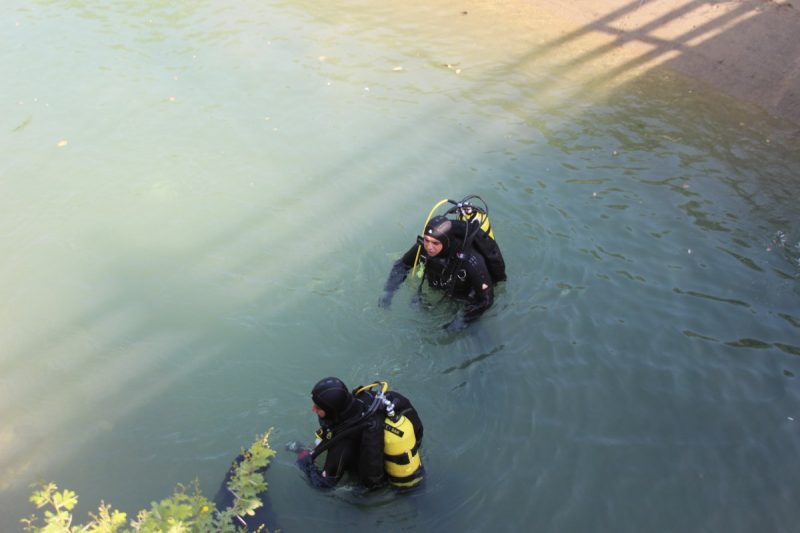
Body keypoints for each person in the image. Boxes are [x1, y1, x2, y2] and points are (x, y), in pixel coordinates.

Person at [379, 196, 506, 330]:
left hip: (464, 298)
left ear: (447, 242)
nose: (429, 247)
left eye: (435, 243)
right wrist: (389, 291)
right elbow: (402, 265)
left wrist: (461, 322)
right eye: (427, 240)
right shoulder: (423, 247)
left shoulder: (470, 260)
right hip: (437, 289)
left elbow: (486, 299)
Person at [287, 377, 424, 491]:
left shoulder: (344, 441)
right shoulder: (369, 397)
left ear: (332, 411)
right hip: (405, 456)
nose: (313, 409)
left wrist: (305, 462)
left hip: (381, 487)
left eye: (318, 407)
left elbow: (324, 484)